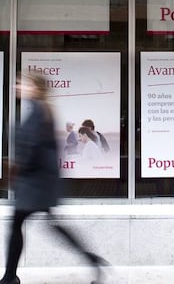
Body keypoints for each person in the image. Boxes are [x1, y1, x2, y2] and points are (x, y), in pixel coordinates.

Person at [0, 72, 108, 284]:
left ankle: (9, 277)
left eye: (24, 83)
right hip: (38, 183)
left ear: (36, 88)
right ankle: (92, 260)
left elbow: (32, 146)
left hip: (35, 184)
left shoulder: (40, 111)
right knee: (50, 226)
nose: (19, 86)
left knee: (22, 226)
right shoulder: (40, 110)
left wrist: (16, 169)